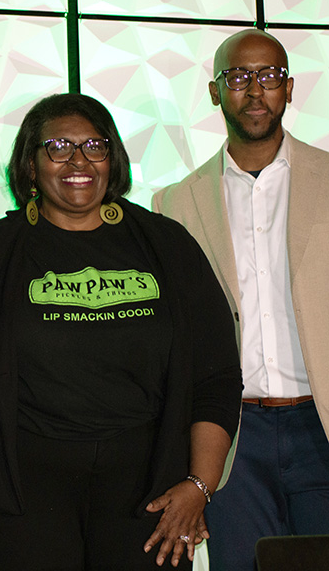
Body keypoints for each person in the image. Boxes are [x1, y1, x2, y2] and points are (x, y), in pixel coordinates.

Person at [0, 93, 242, 570]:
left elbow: (215, 375)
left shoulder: (166, 245)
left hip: (148, 487)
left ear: (112, 158)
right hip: (25, 491)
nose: (79, 160)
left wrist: (199, 486)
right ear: (31, 166)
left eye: (95, 146)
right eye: (58, 146)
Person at [153, 29, 329, 571]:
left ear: (291, 88)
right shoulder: (175, 203)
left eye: (270, 76)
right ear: (215, 91)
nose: (256, 90)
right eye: (239, 77)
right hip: (231, 439)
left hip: (321, 427)